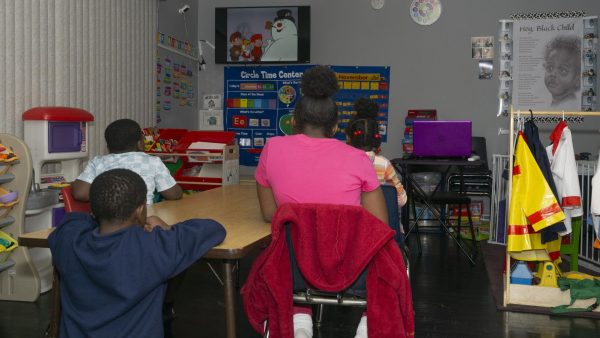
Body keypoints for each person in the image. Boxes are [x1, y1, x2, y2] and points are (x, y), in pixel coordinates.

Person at [253, 65, 388, 338]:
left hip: (293, 268)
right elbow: (378, 225)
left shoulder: (272, 149)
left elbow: (270, 213)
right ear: (336, 126)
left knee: (285, 241)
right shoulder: (358, 159)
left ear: (294, 120)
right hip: (349, 268)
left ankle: (299, 317)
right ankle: (366, 324)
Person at [49, 169, 226, 338]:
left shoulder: (68, 242)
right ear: (140, 210)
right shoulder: (154, 246)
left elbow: (74, 220)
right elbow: (214, 229)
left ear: (93, 209)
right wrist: (167, 228)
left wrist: (101, 214)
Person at [72, 118, 183, 204]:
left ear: (108, 146)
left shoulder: (97, 162)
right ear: (139, 144)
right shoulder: (152, 161)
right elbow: (173, 194)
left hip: (107, 222)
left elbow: (80, 193)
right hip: (142, 220)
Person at [346, 97, 407, 221]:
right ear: (376, 137)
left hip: (351, 226)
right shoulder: (384, 164)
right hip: (381, 227)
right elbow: (402, 200)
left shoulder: (343, 163)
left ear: (349, 137)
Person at [543, 35, 581, 109]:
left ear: (577, 80)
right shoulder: (555, 104)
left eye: (563, 70)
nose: (553, 74)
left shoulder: (571, 107)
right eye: (550, 67)